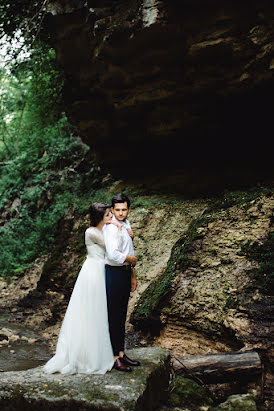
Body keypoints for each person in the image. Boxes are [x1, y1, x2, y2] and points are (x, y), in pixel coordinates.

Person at [44, 202, 116, 375]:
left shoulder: (103, 230)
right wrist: (117, 226)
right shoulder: (91, 232)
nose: (111, 217)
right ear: (100, 217)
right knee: (89, 310)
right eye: (108, 215)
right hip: (93, 271)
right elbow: (111, 247)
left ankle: (95, 352)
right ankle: (83, 357)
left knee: (98, 311)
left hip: (101, 268)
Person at [103, 193, 140, 372]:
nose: (121, 213)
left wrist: (133, 275)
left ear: (129, 209)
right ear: (112, 210)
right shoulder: (111, 228)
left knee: (122, 314)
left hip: (125, 273)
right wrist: (131, 259)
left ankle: (121, 353)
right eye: (117, 210)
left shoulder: (126, 224)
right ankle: (113, 357)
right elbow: (113, 255)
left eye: (124, 210)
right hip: (114, 273)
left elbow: (128, 247)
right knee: (113, 316)